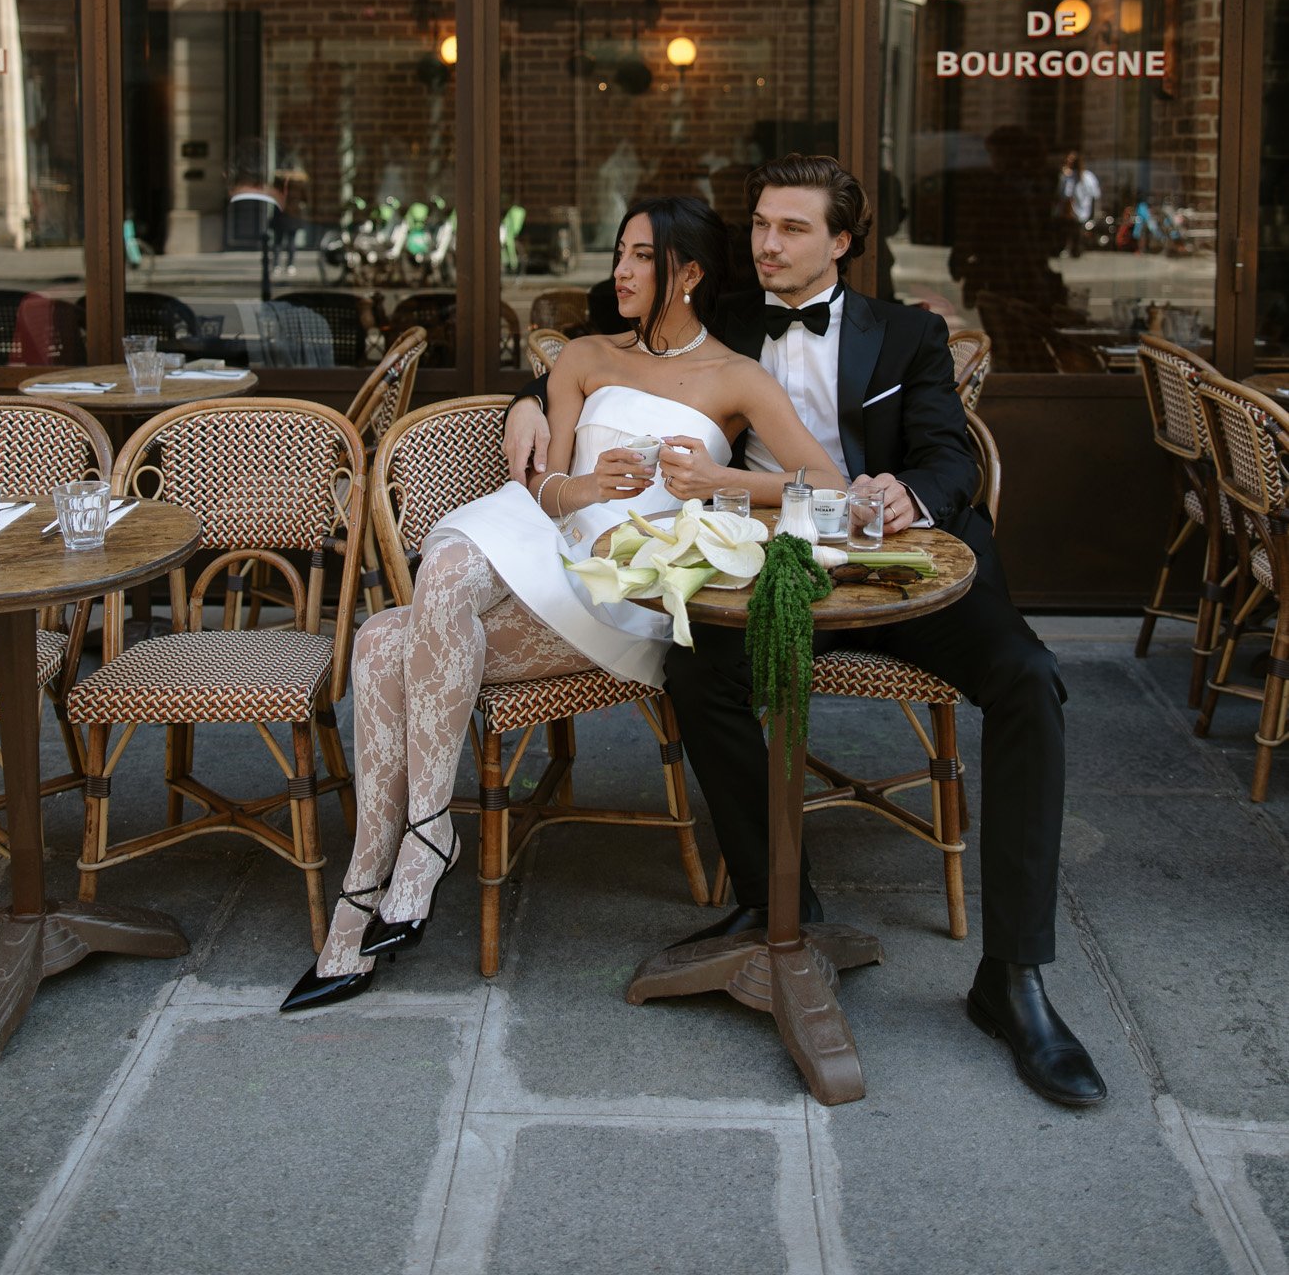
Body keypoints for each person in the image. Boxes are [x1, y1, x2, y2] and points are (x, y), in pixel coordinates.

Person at [502, 154, 1107, 1109]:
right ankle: (777, 899)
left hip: (895, 561)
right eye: (758, 227)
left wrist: (910, 494)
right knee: (700, 670)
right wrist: (527, 403)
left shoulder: (907, 332)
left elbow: (948, 450)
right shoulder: (723, 315)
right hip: (767, 563)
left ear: (842, 241)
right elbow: (606, 349)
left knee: (1030, 680)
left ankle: (1014, 978)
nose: (766, 244)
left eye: (790, 229)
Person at [281, 193, 839, 1014]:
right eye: (619, 252)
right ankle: (423, 836)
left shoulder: (738, 378)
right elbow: (542, 483)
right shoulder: (582, 356)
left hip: (614, 579)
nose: (619, 269)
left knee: (380, 642)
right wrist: (571, 484)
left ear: (687, 273)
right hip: (539, 527)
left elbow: (824, 487)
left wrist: (720, 481)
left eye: (641, 256)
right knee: (441, 572)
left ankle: (362, 896)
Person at [1056, 150, 1101, 257]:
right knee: (1077, 235)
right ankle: (1076, 251)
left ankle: (1071, 250)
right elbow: (1096, 196)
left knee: (1070, 234)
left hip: (1072, 213)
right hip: (1082, 213)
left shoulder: (1069, 178)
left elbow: (1066, 196)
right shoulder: (1089, 177)